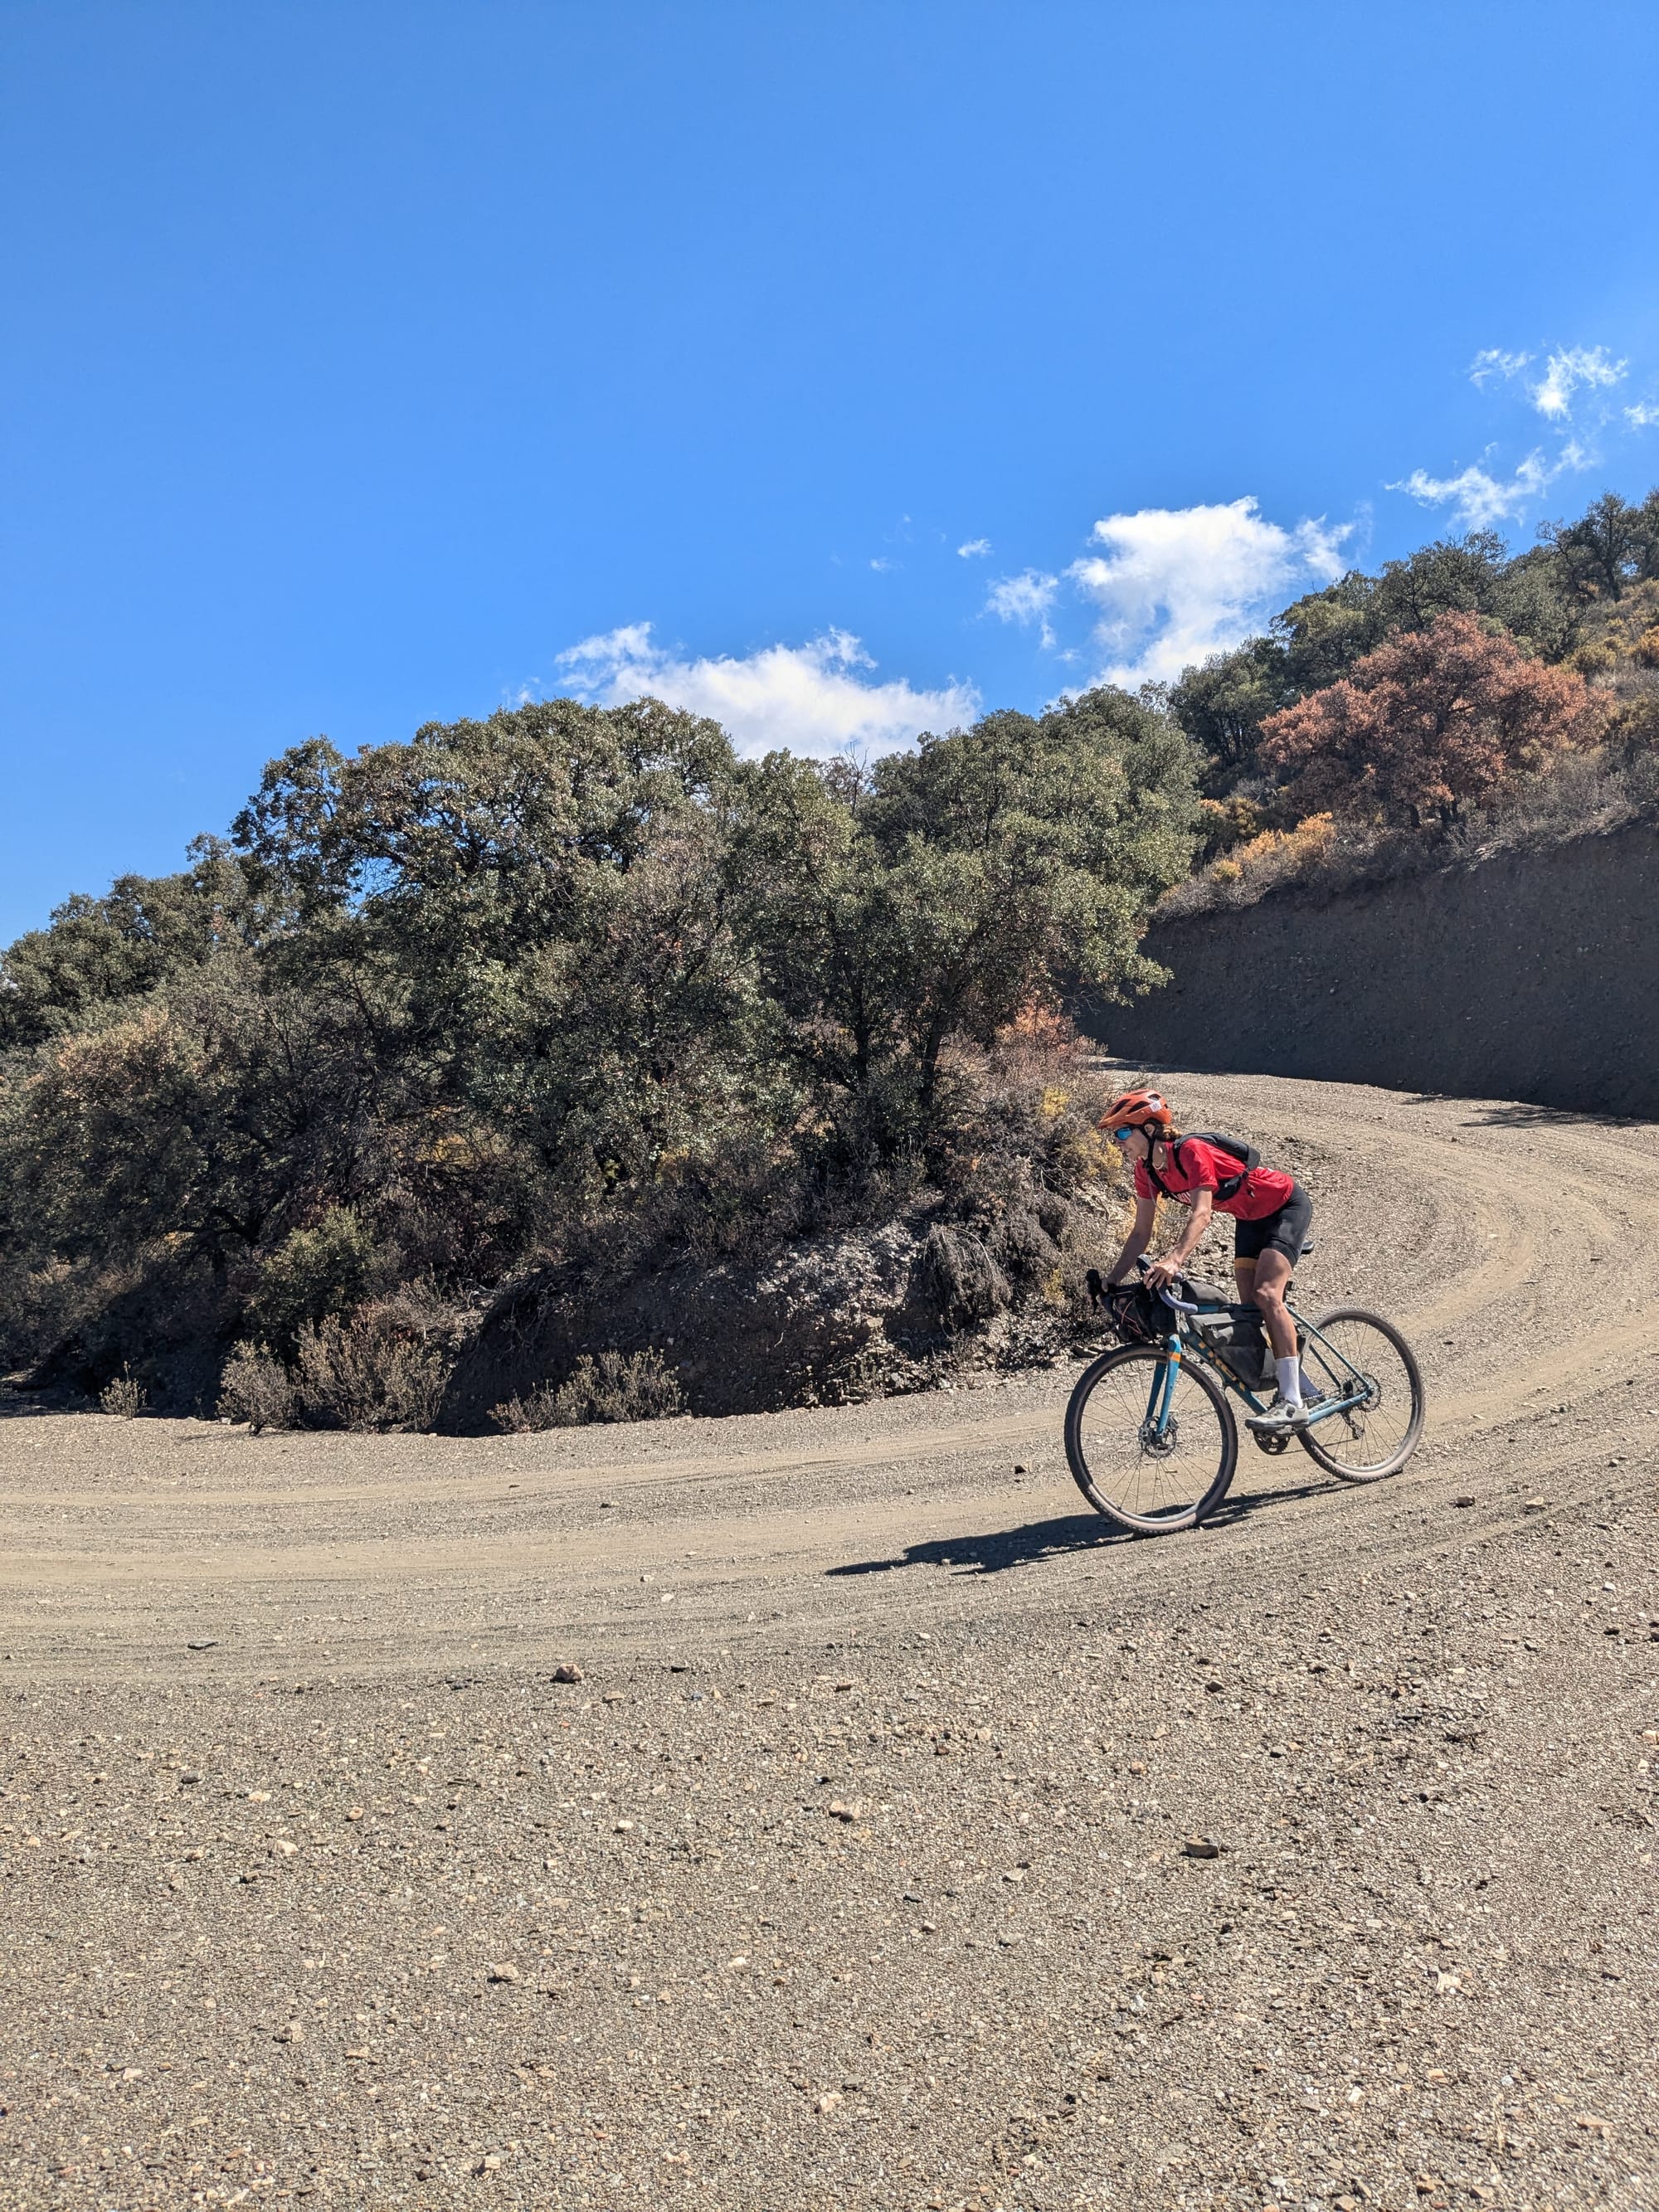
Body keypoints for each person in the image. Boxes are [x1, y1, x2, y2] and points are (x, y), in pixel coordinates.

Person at [1098, 1087, 1316, 1433]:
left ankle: (1293, 1402)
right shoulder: (1147, 1172)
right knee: (1251, 1311)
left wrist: (1174, 1260)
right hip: (1249, 1218)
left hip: (1285, 1207)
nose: (1118, 1142)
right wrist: (1111, 1280)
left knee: (1267, 1294)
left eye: (1123, 1132)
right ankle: (1305, 1386)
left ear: (1149, 1129)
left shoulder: (1190, 1152)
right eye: (1116, 1135)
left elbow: (1202, 1214)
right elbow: (1140, 1234)